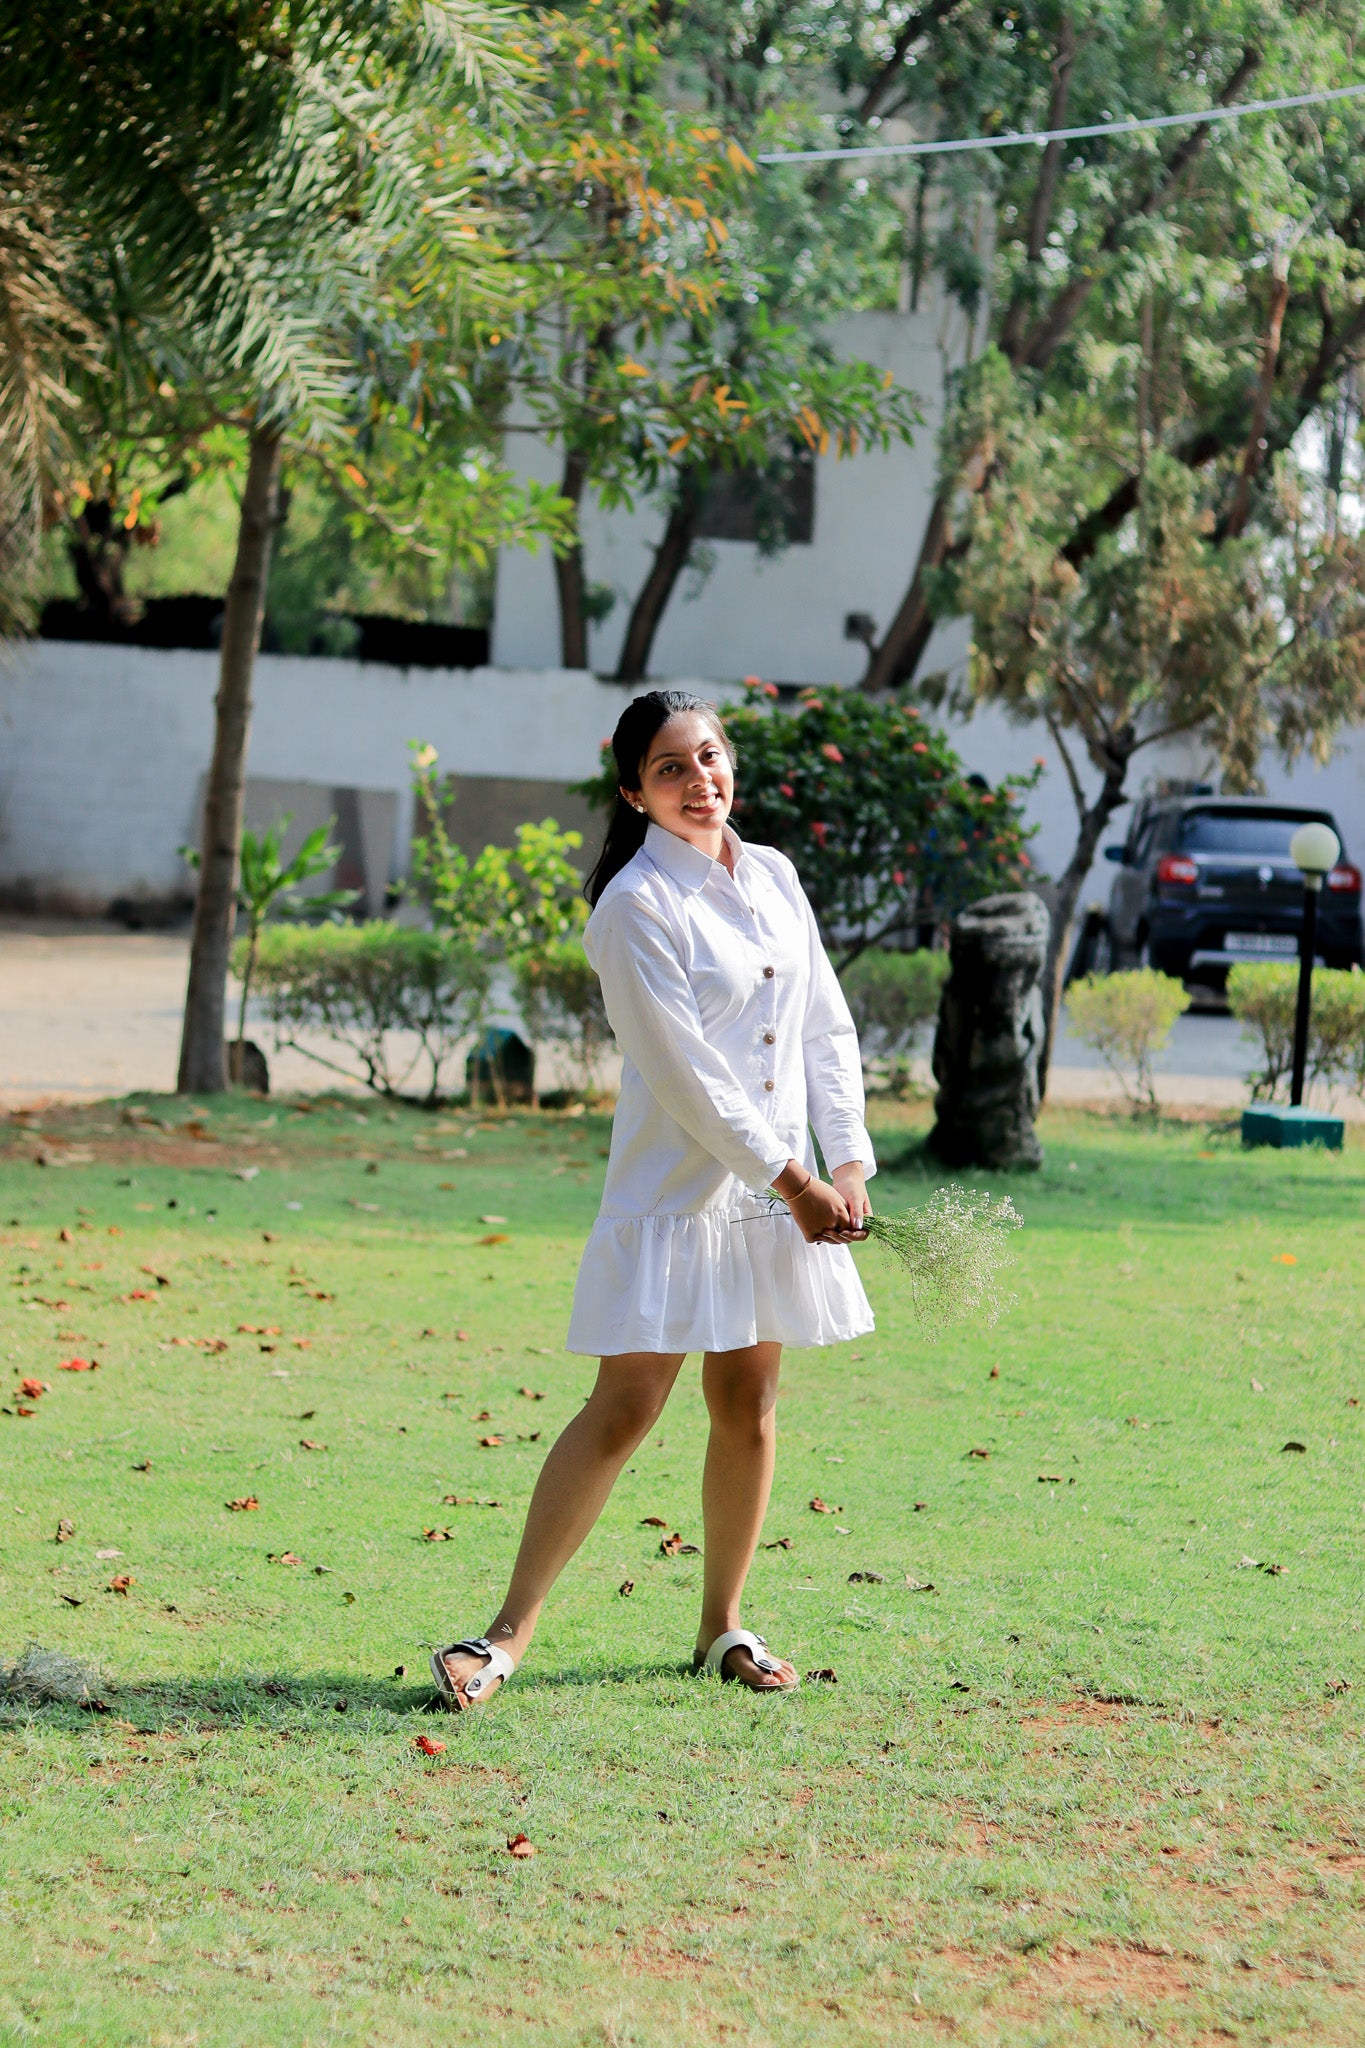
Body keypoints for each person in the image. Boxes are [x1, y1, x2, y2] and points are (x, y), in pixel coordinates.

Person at [432, 689, 874, 1708]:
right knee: (625, 1405)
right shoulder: (633, 906)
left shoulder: (774, 875)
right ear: (632, 790)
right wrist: (797, 1177)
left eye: (710, 757)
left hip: (777, 1194)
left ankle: (723, 1623)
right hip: (681, 1196)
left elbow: (825, 1028)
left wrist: (845, 1160)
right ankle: (504, 1635)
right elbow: (686, 1076)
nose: (698, 781)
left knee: (750, 1404)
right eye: (670, 768)